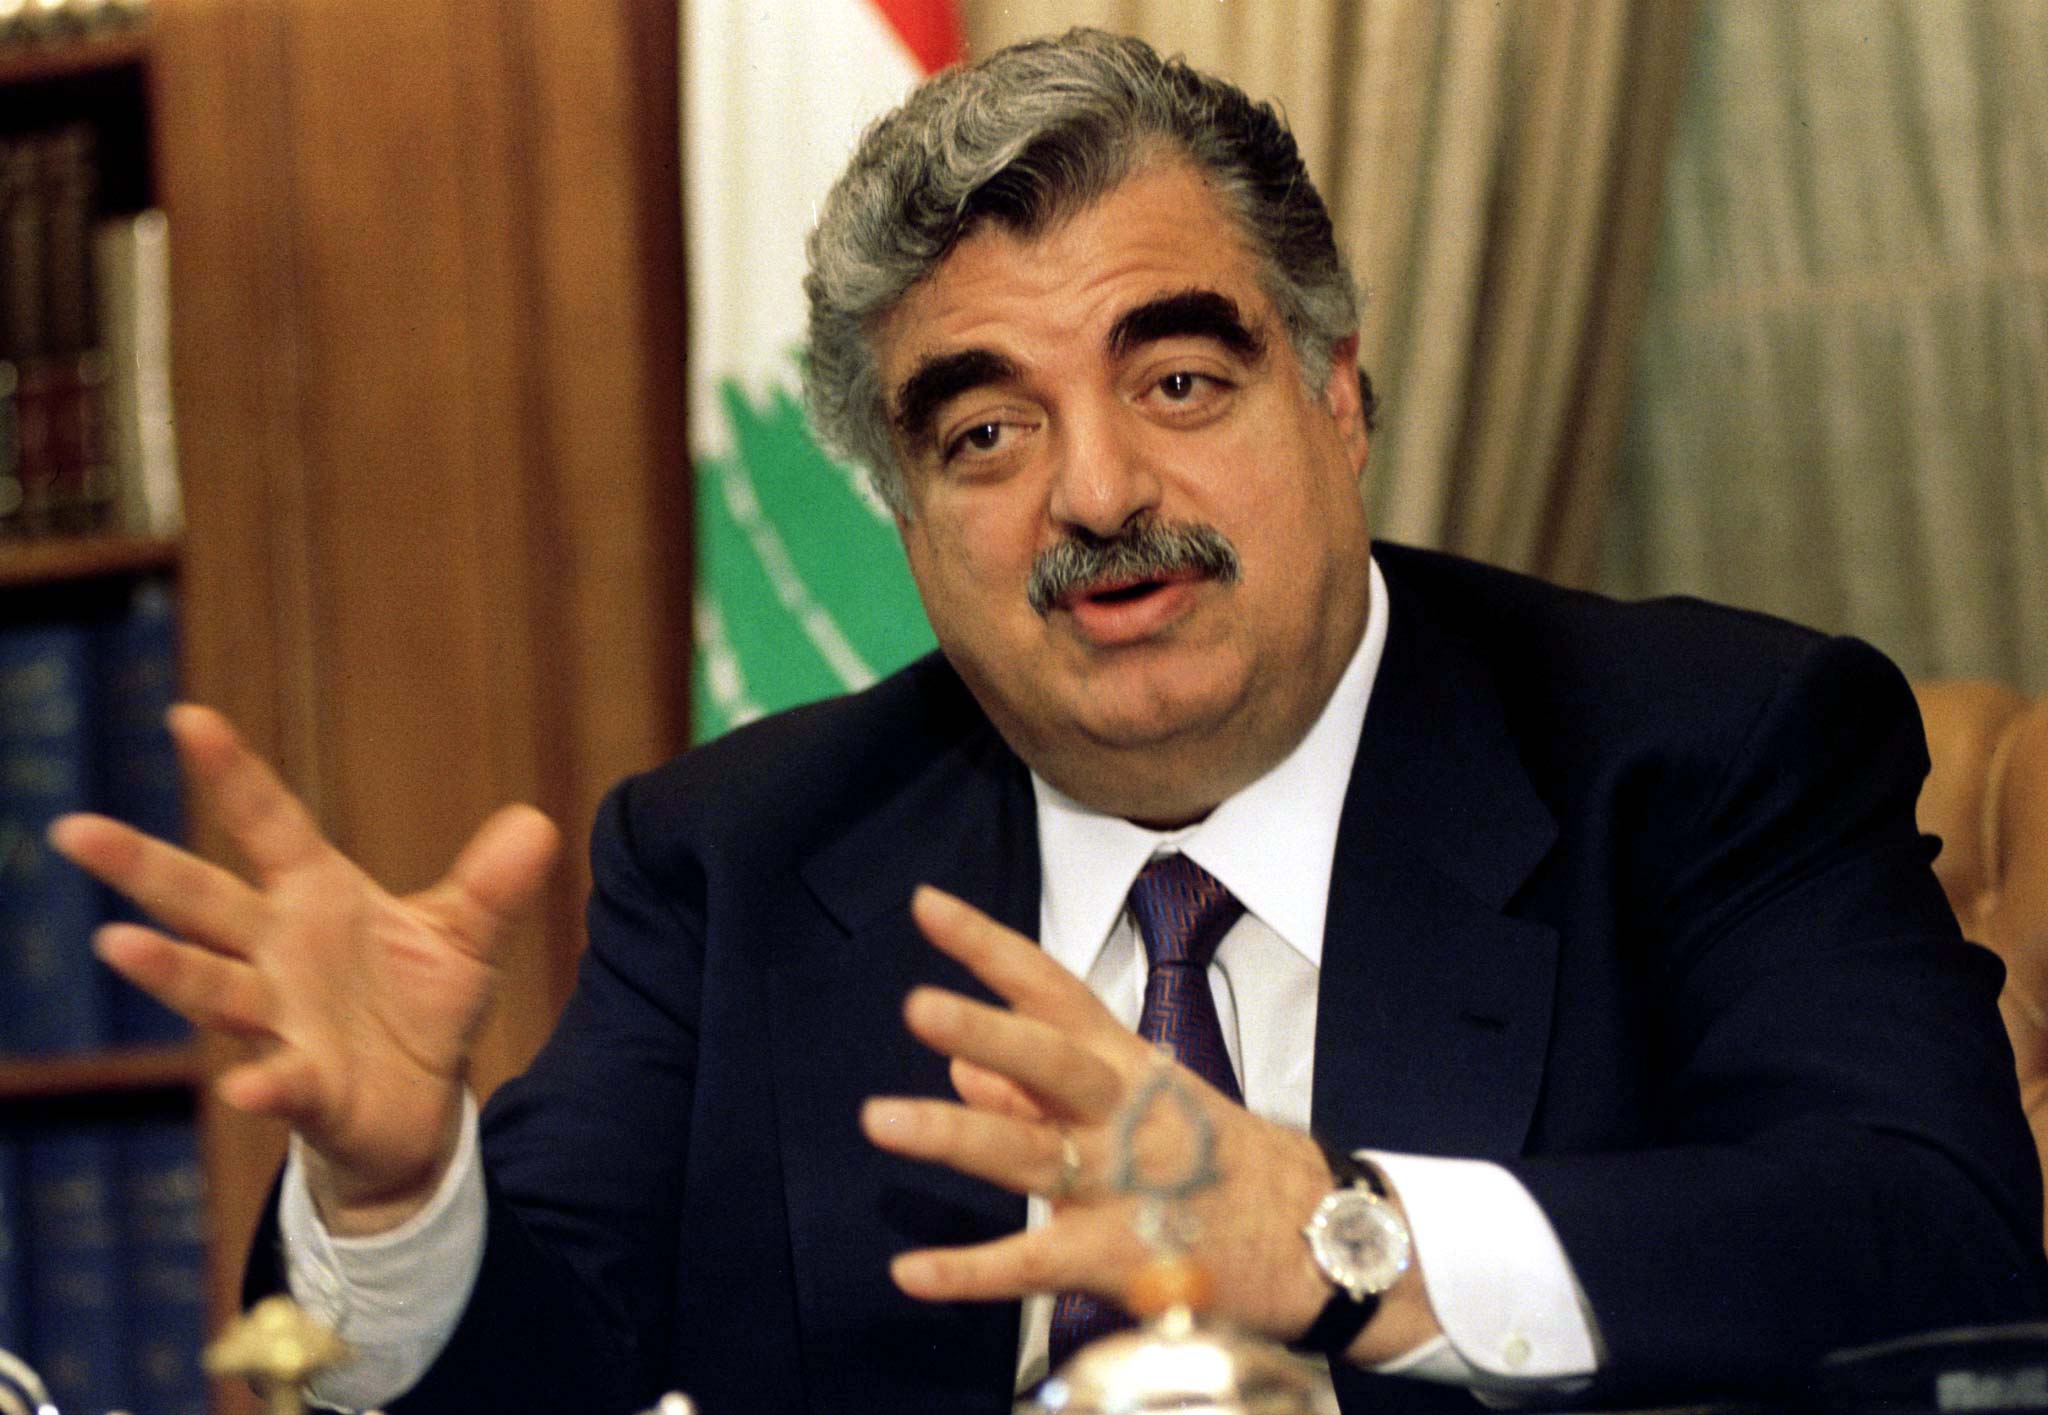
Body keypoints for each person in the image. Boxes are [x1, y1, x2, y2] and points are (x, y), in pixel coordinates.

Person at [50, 28, 2047, 1415]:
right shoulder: (746, 854)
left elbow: (1937, 1244)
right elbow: (537, 1371)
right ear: (905, 519)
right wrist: (402, 1194)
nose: (1095, 492)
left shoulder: (1701, 748)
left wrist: (1333, 1238)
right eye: (986, 432)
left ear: (1338, 402)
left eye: (1177, 381)